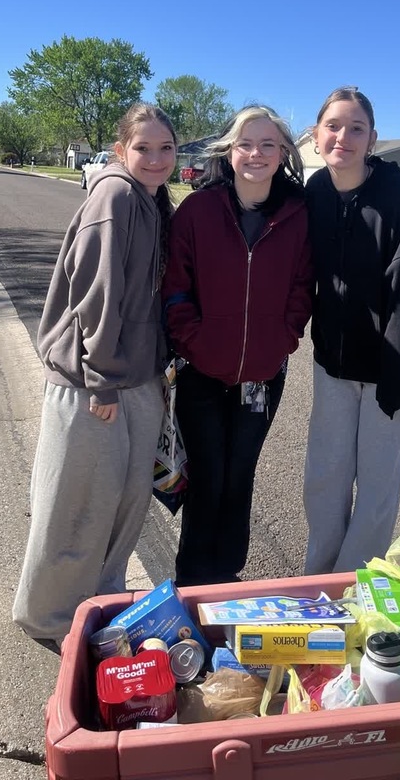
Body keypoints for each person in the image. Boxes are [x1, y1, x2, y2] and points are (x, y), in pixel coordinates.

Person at [12, 103, 177, 645]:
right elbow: (96, 293)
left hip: (136, 382)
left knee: (122, 508)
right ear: (119, 151)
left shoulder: (153, 202)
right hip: (93, 383)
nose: (155, 159)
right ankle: (50, 618)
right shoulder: (116, 195)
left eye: (165, 148)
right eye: (143, 148)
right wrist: (101, 378)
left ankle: (96, 607)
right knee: (75, 508)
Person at [162, 106, 314, 587]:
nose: (256, 154)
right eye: (246, 144)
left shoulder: (297, 213)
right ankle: (192, 582)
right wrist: (196, 342)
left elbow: (302, 286)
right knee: (207, 476)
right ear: (228, 151)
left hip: (263, 377)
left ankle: (227, 577)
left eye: (268, 145)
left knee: (240, 475)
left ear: (283, 153)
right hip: (202, 373)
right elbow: (175, 288)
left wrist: (282, 339)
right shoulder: (199, 211)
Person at [303, 86, 400, 575]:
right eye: (333, 126)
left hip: (392, 366)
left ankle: (352, 589)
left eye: (356, 128)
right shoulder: (314, 193)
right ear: (316, 136)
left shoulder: (398, 197)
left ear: (373, 139)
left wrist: (396, 380)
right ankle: (318, 582)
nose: (344, 136)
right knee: (325, 479)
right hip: (334, 366)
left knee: (376, 489)